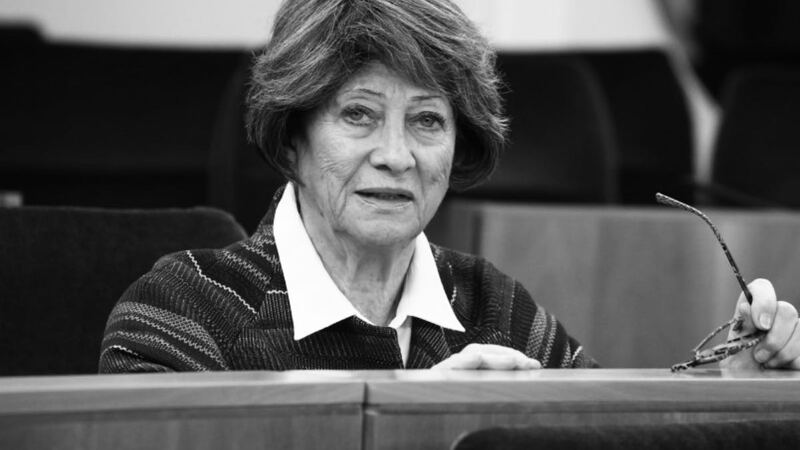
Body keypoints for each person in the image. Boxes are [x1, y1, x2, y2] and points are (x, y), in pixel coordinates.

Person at [99, 0, 799, 373]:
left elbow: (610, 433)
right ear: (291, 136)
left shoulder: (499, 308)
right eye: (358, 115)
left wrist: (733, 392)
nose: (396, 156)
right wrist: (425, 424)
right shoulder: (180, 313)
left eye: (427, 121)